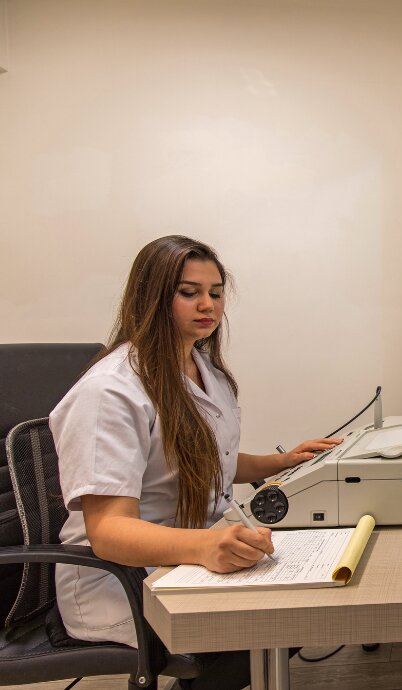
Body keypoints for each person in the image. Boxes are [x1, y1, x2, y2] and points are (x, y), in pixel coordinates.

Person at [50, 236, 342, 690]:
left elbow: (209, 463)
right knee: (273, 625)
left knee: (298, 602)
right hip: (123, 580)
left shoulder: (204, 370)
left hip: (183, 557)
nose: (207, 304)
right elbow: (108, 531)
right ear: (151, 296)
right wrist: (205, 547)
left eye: (216, 292)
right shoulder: (109, 392)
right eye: (189, 292)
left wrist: (281, 461)